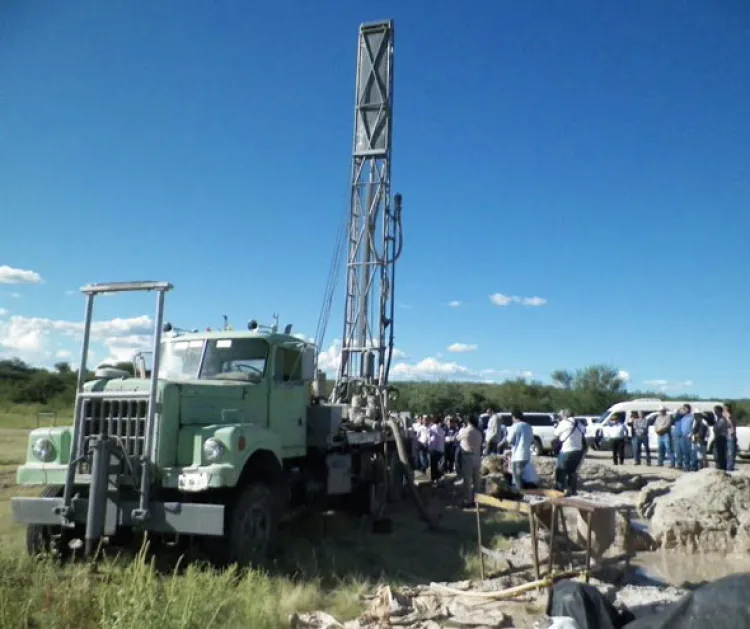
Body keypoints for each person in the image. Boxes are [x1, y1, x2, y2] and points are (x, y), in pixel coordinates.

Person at [554, 409, 586, 496]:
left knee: (560, 472)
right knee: (572, 472)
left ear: (565, 415)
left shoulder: (564, 423)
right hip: (578, 451)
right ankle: (572, 490)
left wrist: (558, 424)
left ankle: (559, 491)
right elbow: (584, 431)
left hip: (566, 450)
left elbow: (556, 433)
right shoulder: (579, 423)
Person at [500, 408, 533, 491]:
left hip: (518, 455)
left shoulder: (516, 426)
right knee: (523, 476)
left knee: (517, 478)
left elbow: (509, 440)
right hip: (527, 455)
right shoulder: (528, 426)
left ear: (514, 416)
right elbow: (531, 440)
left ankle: (520, 495)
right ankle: (524, 492)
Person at [457, 415, 483, 508]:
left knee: (467, 480)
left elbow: (457, 438)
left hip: (468, 457)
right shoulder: (479, 432)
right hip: (477, 456)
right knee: (477, 480)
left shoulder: (465, 431)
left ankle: (468, 501)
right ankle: (478, 500)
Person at [428, 416, 446, 482]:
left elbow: (433, 440)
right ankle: (438, 478)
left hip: (434, 450)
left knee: (433, 465)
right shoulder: (441, 429)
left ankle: (434, 479)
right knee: (439, 465)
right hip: (441, 449)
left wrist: (430, 449)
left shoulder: (432, 429)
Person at [713, 404, 729, 471]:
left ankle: (722, 467)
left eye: (716, 411)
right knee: (718, 453)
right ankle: (720, 466)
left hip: (721, 437)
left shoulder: (722, 420)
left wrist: (715, 429)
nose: (715, 412)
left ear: (719, 411)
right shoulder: (718, 419)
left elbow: (718, 429)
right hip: (718, 437)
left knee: (721, 453)